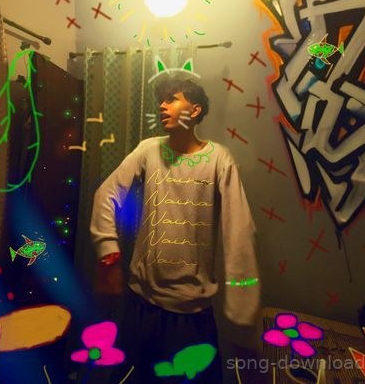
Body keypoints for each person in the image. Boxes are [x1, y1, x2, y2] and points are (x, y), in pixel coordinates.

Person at [90, 78, 260, 383]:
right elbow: (106, 194)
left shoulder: (219, 159)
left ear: (195, 110)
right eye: (162, 100)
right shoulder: (149, 150)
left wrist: (242, 314)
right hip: (141, 305)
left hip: (191, 316)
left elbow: (239, 230)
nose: (162, 105)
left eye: (172, 99)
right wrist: (109, 254)